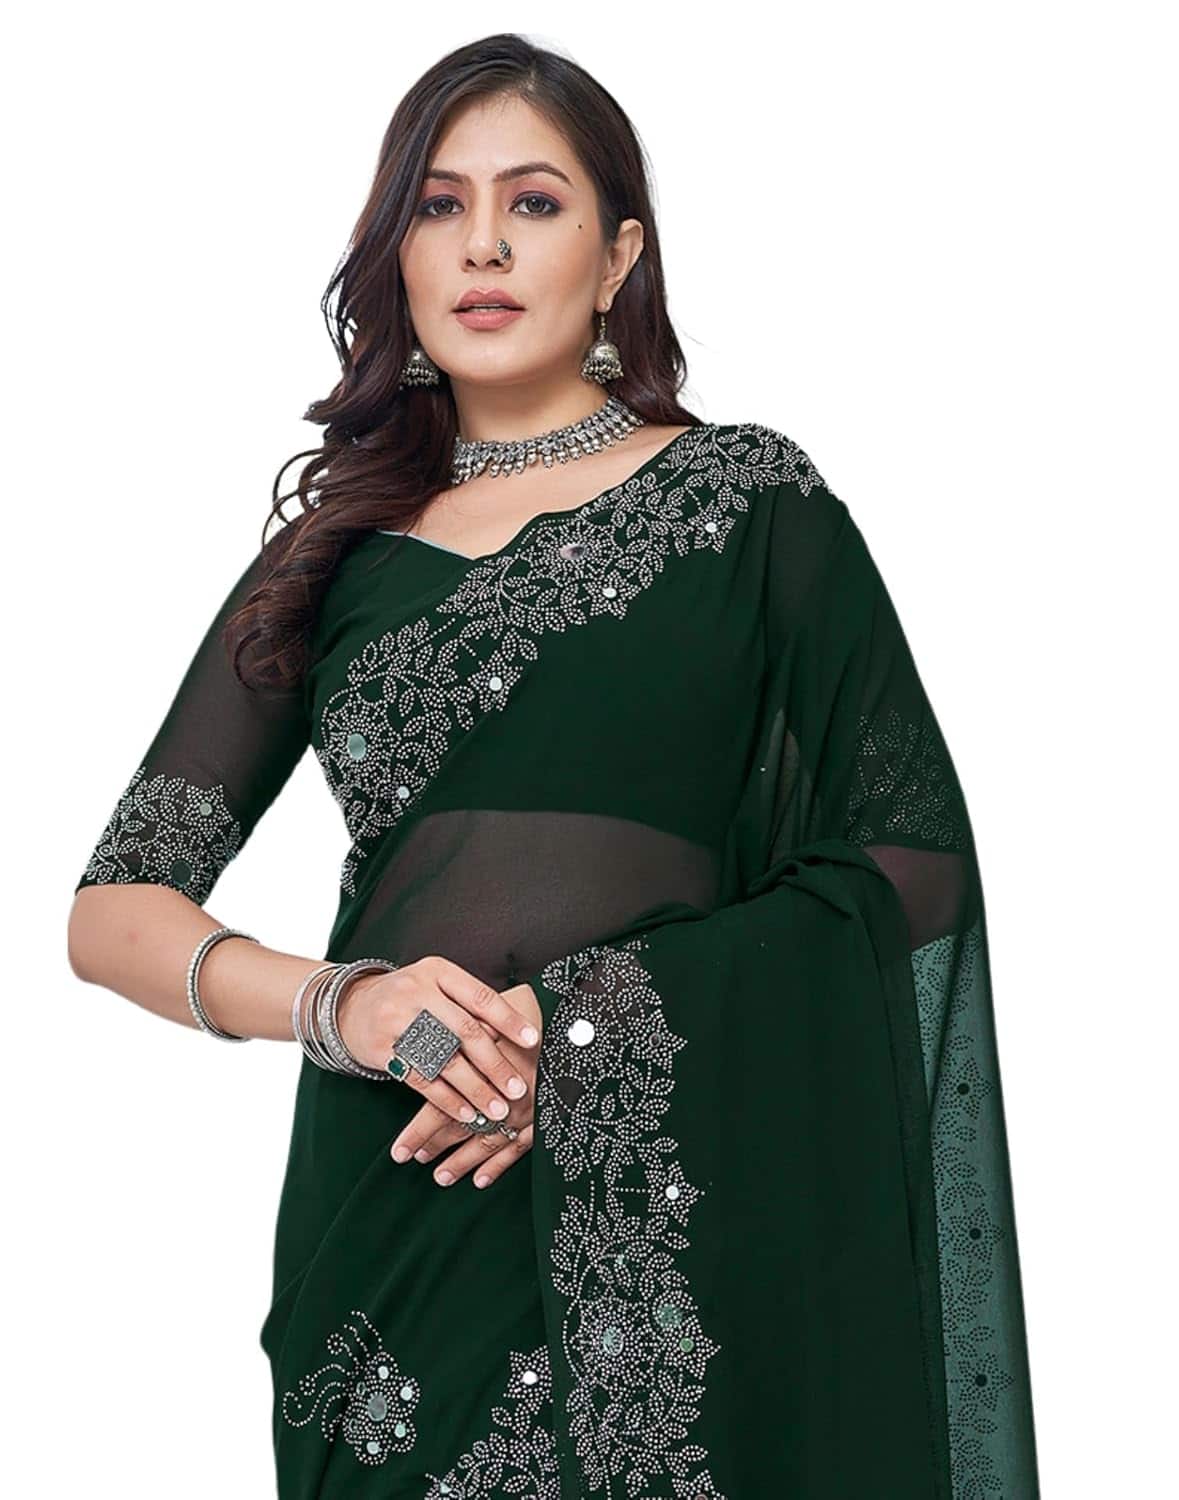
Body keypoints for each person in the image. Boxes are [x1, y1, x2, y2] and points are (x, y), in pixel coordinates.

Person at [66, 32, 1041, 1500]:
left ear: (617, 256)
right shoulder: (333, 558)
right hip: (396, 1209)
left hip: (678, 1206)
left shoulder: (747, 507)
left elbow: (910, 867)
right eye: (438, 206)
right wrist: (351, 1007)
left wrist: (590, 1035)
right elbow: (116, 909)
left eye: (533, 202)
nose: (482, 245)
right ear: (397, 256)